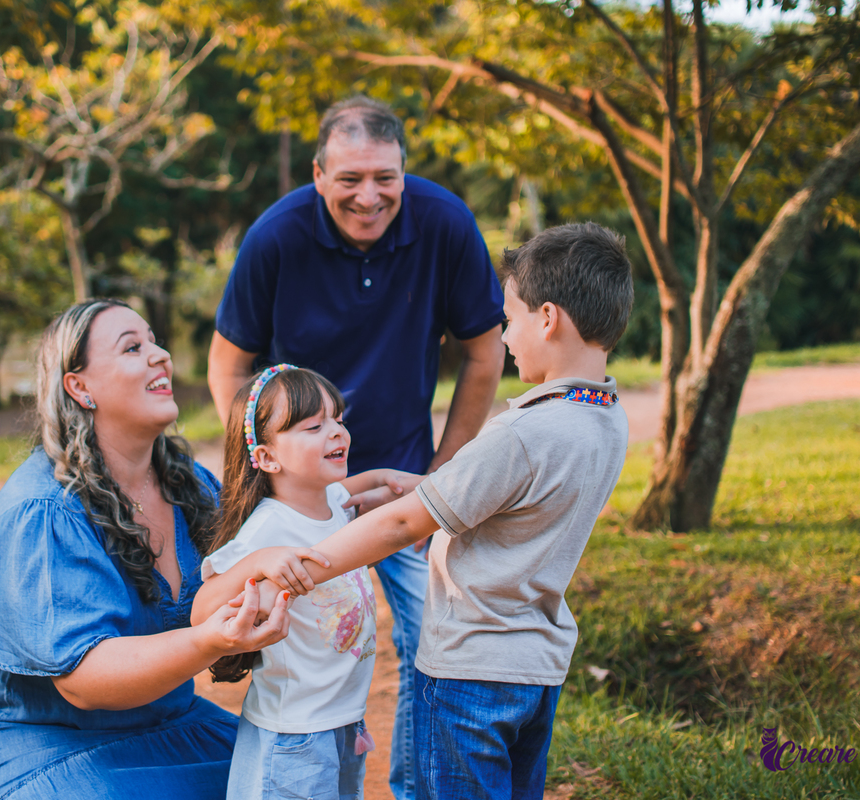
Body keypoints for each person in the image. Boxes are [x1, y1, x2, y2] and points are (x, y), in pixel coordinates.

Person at [198, 222, 634, 800]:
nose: (504, 337)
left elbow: (407, 523)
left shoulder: (522, 434)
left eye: (511, 319)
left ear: (548, 318)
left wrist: (307, 562)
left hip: (468, 670)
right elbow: (510, 496)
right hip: (536, 667)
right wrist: (420, 484)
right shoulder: (604, 418)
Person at [208, 95, 506, 800]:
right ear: (318, 174)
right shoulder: (276, 237)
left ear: (404, 171)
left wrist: (439, 475)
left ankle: (413, 787)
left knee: (437, 642)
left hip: (394, 485)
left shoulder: (445, 224)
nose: (369, 197)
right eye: (350, 179)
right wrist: (262, 460)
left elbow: (486, 356)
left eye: (385, 177)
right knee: (304, 637)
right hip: (301, 492)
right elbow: (228, 364)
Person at [0, 300, 315, 800]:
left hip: (167, 723)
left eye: (154, 341)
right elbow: (86, 681)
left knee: (292, 782)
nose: (160, 356)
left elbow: (279, 539)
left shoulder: (191, 487)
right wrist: (211, 639)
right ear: (80, 386)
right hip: (38, 745)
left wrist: (351, 501)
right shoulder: (45, 509)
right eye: (133, 348)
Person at [191, 365, 413, 800]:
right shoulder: (265, 530)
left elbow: (350, 491)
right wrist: (256, 562)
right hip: (293, 734)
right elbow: (202, 612)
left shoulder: (331, 499)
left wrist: (382, 479)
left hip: (343, 719)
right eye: (314, 426)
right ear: (268, 458)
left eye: (339, 419)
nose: (336, 432)